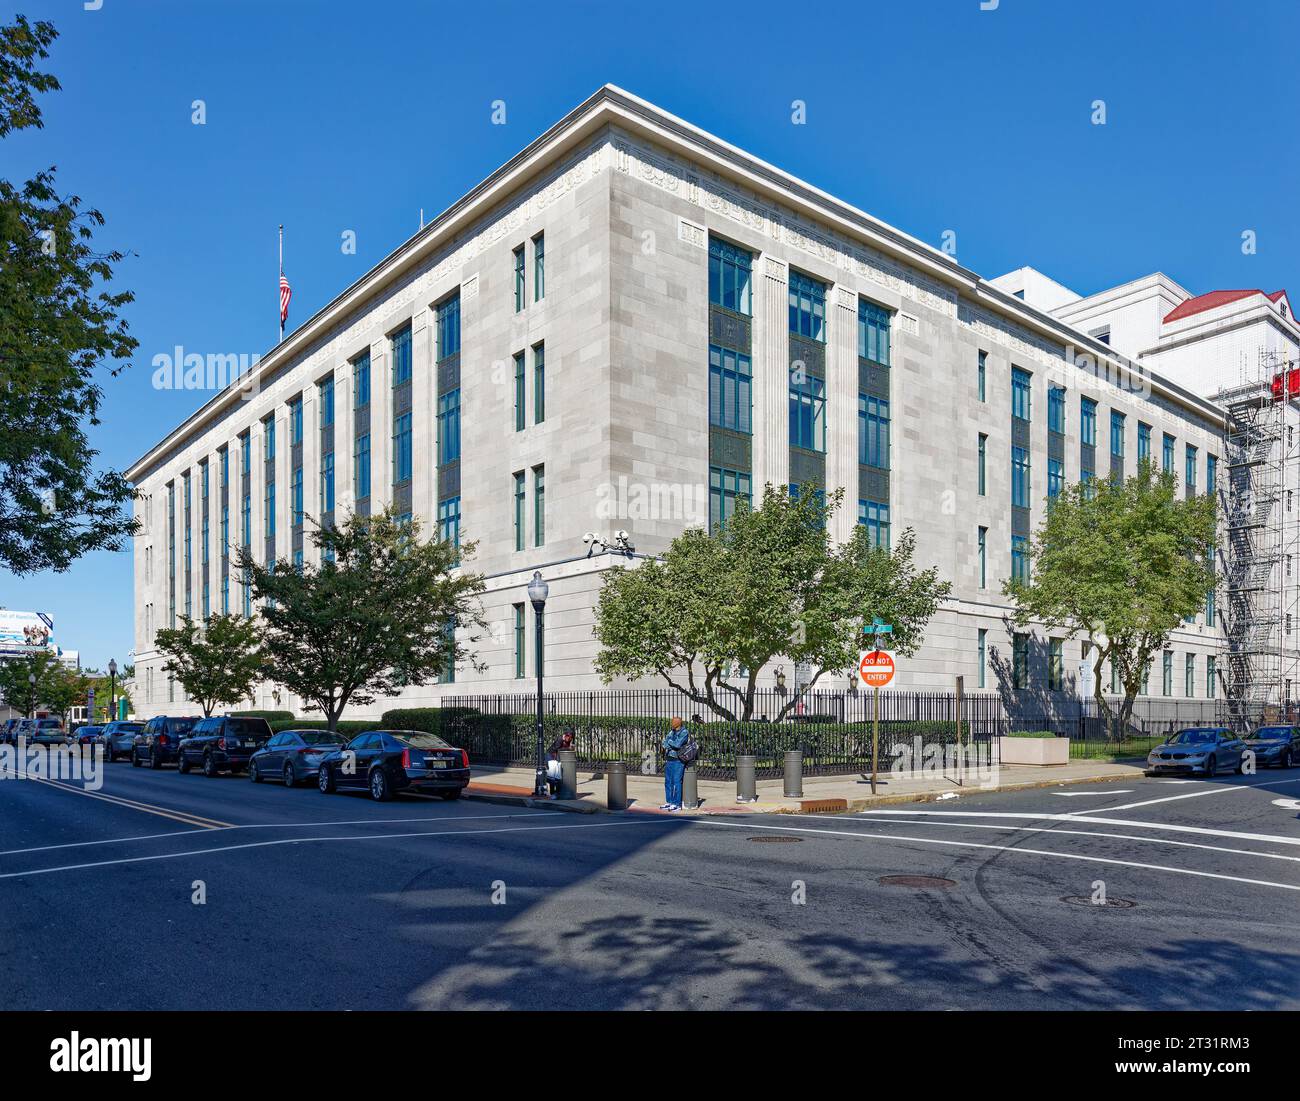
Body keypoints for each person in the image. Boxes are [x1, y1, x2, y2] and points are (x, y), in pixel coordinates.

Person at [661, 715, 689, 811]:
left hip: (678, 760)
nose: (671, 723)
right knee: (668, 782)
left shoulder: (684, 732)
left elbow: (677, 745)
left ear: (678, 723)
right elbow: (663, 743)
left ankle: (677, 804)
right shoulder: (671, 732)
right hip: (669, 759)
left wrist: (669, 742)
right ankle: (669, 802)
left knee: (677, 782)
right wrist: (669, 743)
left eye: (673, 722)